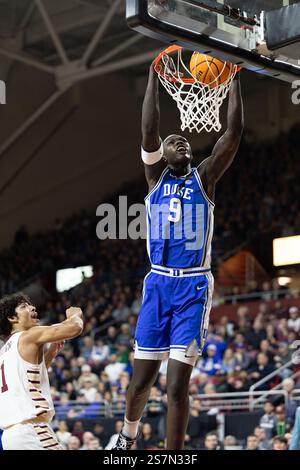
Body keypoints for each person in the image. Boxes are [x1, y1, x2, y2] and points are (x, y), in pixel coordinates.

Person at [114, 58, 243, 450]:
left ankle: (174, 455)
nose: (179, 141)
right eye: (172, 142)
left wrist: (235, 76)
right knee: (140, 382)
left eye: (183, 139)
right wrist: (153, 74)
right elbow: (149, 128)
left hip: (192, 287)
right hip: (157, 284)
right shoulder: (155, 177)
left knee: (175, 387)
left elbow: (233, 132)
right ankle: (128, 436)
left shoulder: (205, 177)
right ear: (162, 154)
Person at [0, 293, 83, 450]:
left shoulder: (4, 351)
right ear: (12, 318)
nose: (32, 307)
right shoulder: (27, 335)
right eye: (24, 306)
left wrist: (51, 352)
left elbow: (30, 376)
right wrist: (75, 314)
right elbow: (74, 328)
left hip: (11, 437)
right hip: (32, 430)